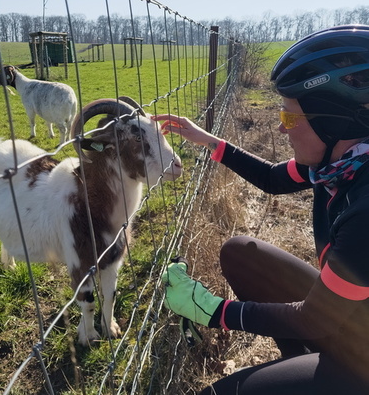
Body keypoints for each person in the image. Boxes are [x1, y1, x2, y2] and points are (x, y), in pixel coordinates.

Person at [153, 24, 369, 394]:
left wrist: (213, 310)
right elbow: (272, 178)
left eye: (289, 117)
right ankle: (299, 369)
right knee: (241, 254)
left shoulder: (365, 210)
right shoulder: (343, 162)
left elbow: (315, 319)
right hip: (351, 319)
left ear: (334, 121)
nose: (282, 130)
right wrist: (206, 140)